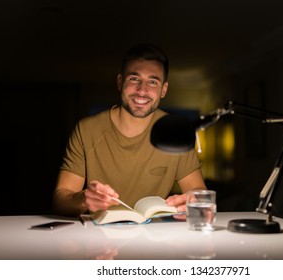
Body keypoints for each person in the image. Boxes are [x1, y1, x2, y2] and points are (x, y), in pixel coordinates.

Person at [53, 43, 207, 217]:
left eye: (152, 82)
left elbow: (199, 192)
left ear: (164, 89)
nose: (142, 90)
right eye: (134, 79)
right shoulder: (86, 129)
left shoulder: (176, 132)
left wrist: (192, 201)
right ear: (120, 82)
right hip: (97, 237)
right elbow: (61, 198)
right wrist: (84, 199)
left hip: (155, 239)